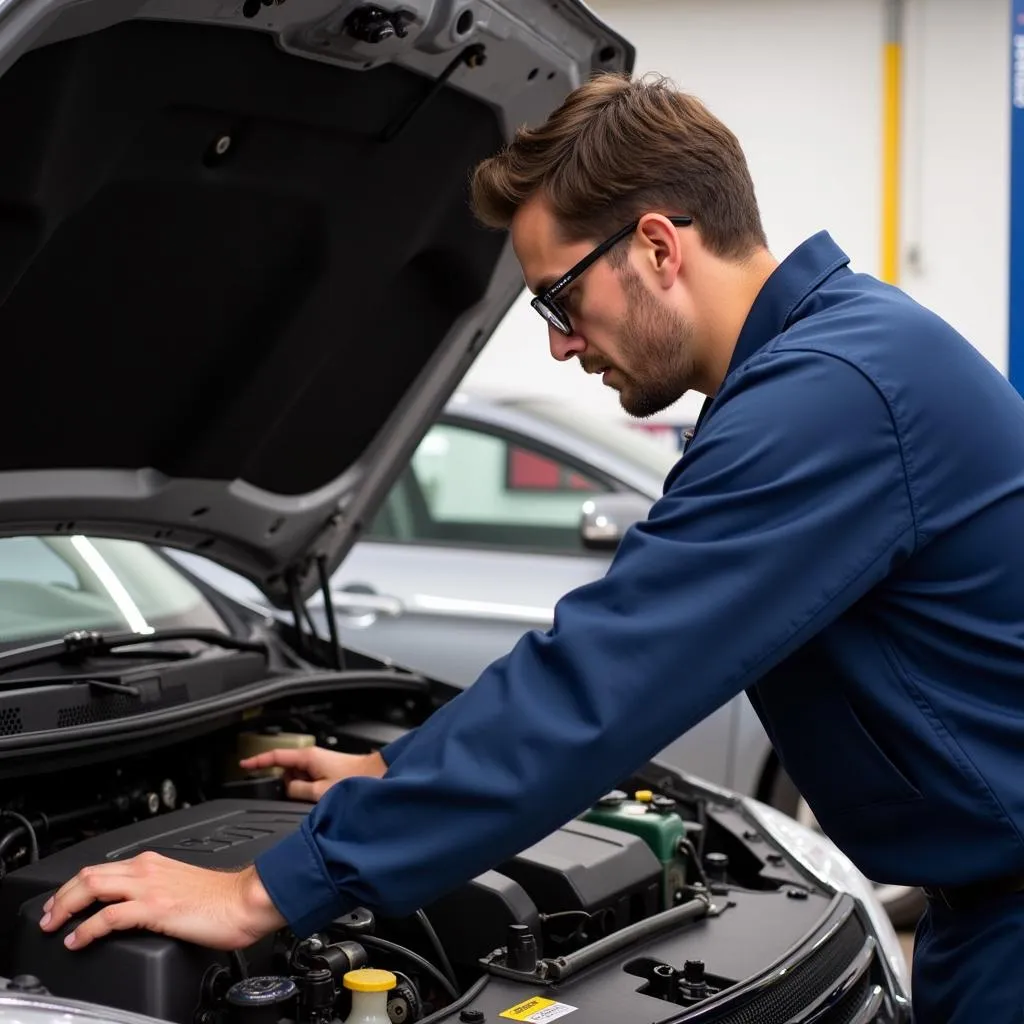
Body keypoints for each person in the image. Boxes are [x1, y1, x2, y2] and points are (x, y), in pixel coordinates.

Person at [39, 73, 1024, 1023]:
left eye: (556, 300)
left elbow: (603, 681)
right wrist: (400, 773)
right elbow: (598, 666)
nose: (559, 343)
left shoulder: (830, 398)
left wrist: (263, 892)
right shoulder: (832, 361)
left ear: (655, 246)